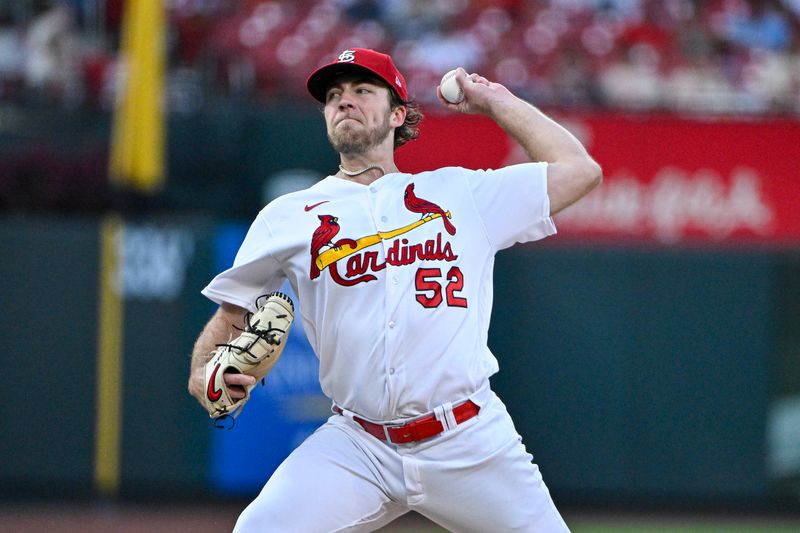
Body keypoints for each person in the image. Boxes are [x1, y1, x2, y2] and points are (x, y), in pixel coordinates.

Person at [188, 47, 601, 532]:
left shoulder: (461, 194)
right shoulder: (288, 215)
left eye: (363, 91)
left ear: (398, 114)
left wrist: (496, 101)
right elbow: (231, 315)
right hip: (358, 444)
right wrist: (202, 373)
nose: (345, 102)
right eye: (334, 96)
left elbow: (581, 170)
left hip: (467, 439)